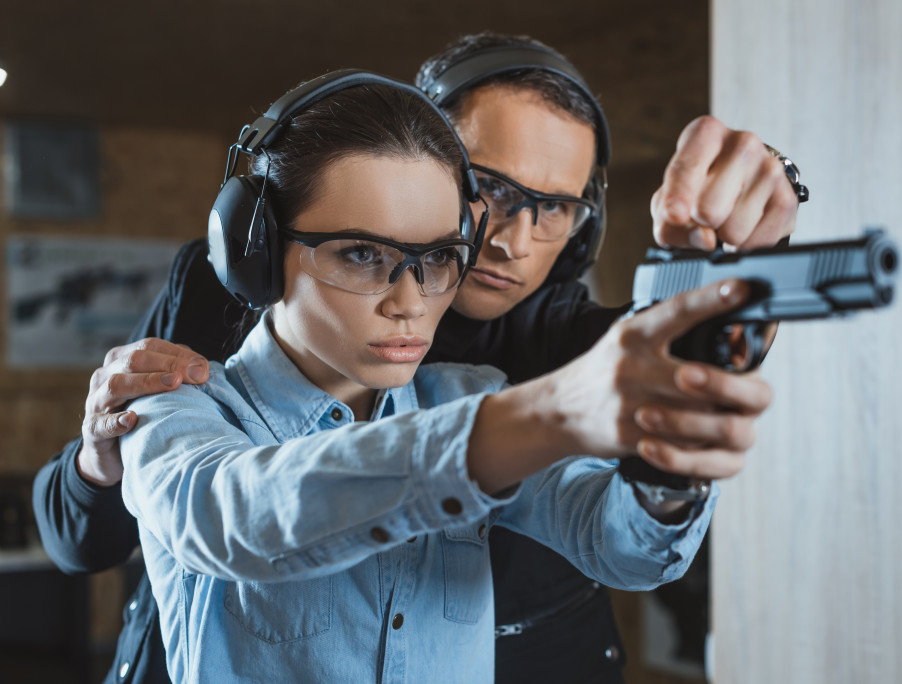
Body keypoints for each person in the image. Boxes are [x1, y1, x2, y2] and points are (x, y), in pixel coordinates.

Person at [33, 34, 799, 684]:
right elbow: (238, 516)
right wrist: (549, 413)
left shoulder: (477, 386)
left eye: (438, 257)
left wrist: (670, 465)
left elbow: (627, 542)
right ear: (257, 256)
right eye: (362, 253)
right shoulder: (184, 392)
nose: (410, 299)